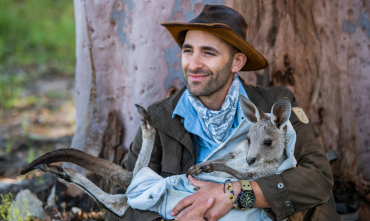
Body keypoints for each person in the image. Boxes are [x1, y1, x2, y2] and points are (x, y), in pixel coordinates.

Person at [107, 4, 339, 221]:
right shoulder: (159, 117)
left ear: (236, 62)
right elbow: (123, 195)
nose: (194, 64)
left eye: (208, 53)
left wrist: (235, 193)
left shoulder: (273, 105)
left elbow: (318, 177)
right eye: (188, 51)